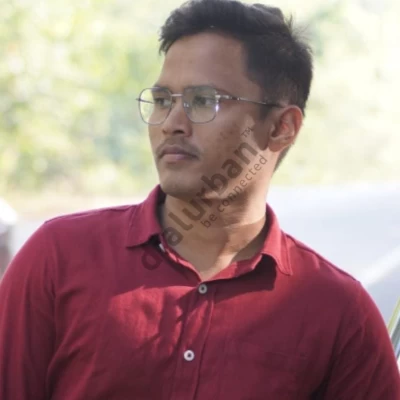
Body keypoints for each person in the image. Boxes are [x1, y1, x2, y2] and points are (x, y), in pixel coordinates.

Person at [1, 0, 399, 398]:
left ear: (282, 127)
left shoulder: (339, 313)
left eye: (204, 101)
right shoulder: (59, 259)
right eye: (162, 100)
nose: (171, 124)